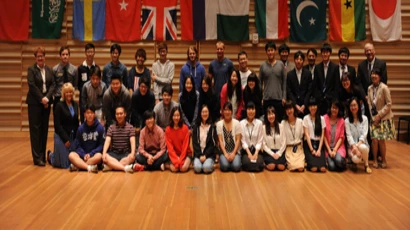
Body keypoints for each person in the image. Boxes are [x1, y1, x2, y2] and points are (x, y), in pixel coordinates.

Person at [27, 46, 55, 166]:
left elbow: (53, 84)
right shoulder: (31, 70)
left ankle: (43, 156)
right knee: (35, 131)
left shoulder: (49, 70)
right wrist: (42, 98)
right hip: (34, 103)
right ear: (35, 57)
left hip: (46, 103)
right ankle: (36, 157)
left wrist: (47, 98)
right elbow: (32, 86)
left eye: (42, 56)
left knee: (44, 129)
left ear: (44, 56)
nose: (40, 58)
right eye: (38, 56)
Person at [368, 69, 396, 169]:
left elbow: (389, 104)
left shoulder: (384, 87)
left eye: (376, 74)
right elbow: (370, 104)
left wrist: (379, 116)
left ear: (379, 77)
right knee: (374, 140)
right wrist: (373, 118)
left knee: (381, 140)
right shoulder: (369, 88)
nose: (374, 76)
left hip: (383, 118)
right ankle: (375, 160)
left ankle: (383, 159)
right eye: (372, 74)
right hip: (374, 118)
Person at [48, 83, 79, 168]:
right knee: (63, 165)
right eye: (66, 92)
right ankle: (51, 156)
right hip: (61, 136)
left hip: (72, 136)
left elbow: (76, 122)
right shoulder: (59, 106)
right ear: (63, 94)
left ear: (73, 93)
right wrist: (65, 139)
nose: (69, 94)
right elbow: (57, 125)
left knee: (72, 161)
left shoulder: (75, 104)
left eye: (70, 92)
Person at [68, 104, 104, 173]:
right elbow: (78, 145)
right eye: (88, 113)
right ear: (84, 114)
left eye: (91, 113)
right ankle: (88, 167)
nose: (90, 115)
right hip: (83, 156)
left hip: (93, 156)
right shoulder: (80, 128)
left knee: (99, 156)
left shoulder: (100, 128)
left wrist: (90, 154)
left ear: (94, 114)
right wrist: (83, 154)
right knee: (71, 155)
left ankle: (78, 166)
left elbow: (101, 145)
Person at [102, 106, 135, 173]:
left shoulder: (130, 127)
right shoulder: (111, 127)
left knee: (132, 157)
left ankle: (111, 166)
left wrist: (132, 153)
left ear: (125, 114)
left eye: (121, 113)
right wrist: (104, 154)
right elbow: (107, 141)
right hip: (114, 154)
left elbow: (132, 142)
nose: (119, 116)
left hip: (125, 154)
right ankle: (124, 168)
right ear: (115, 115)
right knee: (106, 156)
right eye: (117, 114)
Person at [260, 41, 286, 122]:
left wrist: (284, 97)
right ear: (266, 52)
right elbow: (259, 83)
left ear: (275, 51)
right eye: (268, 50)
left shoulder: (281, 64)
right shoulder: (262, 66)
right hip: (267, 99)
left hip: (279, 100)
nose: (270, 52)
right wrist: (261, 97)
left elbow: (284, 82)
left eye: (272, 50)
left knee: (278, 122)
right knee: (267, 122)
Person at [345, 97, 372, 174]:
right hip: (351, 147)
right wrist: (354, 147)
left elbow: (364, 135)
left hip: (362, 145)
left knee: (363, 148)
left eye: (355, 105)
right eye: (351, 105)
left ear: (359, 106)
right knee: (356, 159)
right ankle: (354, 162)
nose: (353, 107)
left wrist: (357, 147)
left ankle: (366, 165)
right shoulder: (347, 120)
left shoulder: (365, 119)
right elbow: (349, 136)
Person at [209, 41, 234, 114]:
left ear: (224, 49)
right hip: (216, 95)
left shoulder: (229, 63)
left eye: (221, 49)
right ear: (216, 50)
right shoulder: (212, 64)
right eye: (218, 49)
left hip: (227, 94)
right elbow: (209, 80)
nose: (219, 51)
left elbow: (233, 79)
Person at [286, 51, 313, 118]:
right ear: (294, 60)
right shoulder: (290, 74)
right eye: (297, 59)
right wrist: (295, 104)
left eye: (300, 59)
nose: (298, 61)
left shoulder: (308, 73)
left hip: (305, 107)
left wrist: (304, 105)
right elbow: (289, 91)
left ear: (303, 61)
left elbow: (309, 90)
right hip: (294, 107)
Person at [313, 43, 338, 115]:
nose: (325, 54)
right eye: (323, 52)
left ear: (330, 53)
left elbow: (336, 86)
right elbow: (315, 85)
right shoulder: (317, 67)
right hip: (319, 101)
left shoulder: (335, 67)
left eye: (327, 52)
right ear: (321, 54)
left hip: (330, 100)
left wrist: (332, 99)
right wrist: (318, 97)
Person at [217, 102, 242, 172]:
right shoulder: (219, 124)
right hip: (224, 152)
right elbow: (220, 140)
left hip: (235, 152)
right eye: (225, 110)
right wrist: (225, 153)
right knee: (225, 167)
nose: (227, 112)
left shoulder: (237, 123)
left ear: (231, 111)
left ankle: (233, 162)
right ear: (223, 111)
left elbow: (238, 140)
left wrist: (233, 153)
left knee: (236, 167)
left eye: (229, 110)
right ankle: (226, 162)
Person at [165, 107, 192, 172]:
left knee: (183, 168)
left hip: (185, 154)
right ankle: (167, 165)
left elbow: (185, 147)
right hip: (174, 154)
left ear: (180, 116)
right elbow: (170, 148)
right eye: (174, 115)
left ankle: (187, 162)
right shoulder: (168, 129)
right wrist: (176, 160)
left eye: (178, 115)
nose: (176, 118)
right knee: (175, 169)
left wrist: (180, 160)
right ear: (171, 116)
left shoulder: (185, 128)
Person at [303, 98, 326, 172]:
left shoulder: (321, 118)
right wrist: (312, 150)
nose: (313, 108)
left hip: (319, 144)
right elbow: (306, 135)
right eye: (311, 106)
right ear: (308, 107)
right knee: (314, 168)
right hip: (309, 145)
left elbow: (322, 135)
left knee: (322, 169)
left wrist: (319, 149)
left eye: (314, 105)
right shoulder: (305, 118)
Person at [192, 105, 218, 174]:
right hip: (198, 154)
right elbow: (195, 143)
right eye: (203, 112)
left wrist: (205, 155)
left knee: (206, 169)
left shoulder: (212, 127)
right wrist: (200, 155)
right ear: (200, 113)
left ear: (209, 113)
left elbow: (213, 144)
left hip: (209, 155)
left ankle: (211, 164)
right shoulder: (196, 127)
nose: (204, 114)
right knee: (198, 169)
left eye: (206, 112)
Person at [240, 102, 264, 172]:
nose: (251, 111)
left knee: (259, 164)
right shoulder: (241, 123)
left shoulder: (259, 123)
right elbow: (243, 141)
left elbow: (260, 141)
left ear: (255, 110)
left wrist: (256, 153)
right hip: (246, 151)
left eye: (252, 109)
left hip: (257, 151)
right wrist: (249, 154)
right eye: (249, 109)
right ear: (246, 110)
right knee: (246, 163)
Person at [78, 43, 99, 122]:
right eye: (88, 52)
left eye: (92, 52)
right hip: (84, 101)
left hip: (94, 100)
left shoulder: (96, 68)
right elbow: (78, 84)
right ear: (85, 53)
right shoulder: (80, 68)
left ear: (94, 53)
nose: (90, 54)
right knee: (84, 121)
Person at [323, 100, 346, 172]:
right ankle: (332, 159)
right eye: (332, 107)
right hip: (328, 148)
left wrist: (335, 150)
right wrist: (329, 151)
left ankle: (340, 160)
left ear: (339, 110)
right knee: (332, 167)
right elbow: (324, 137)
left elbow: (341, 137)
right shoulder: (324, 118)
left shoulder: (341, 120)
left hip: (338, 147)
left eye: (336, 108)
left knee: (339, 161)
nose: (334, 110)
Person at [53, 46, 78, 111]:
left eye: (67, 54)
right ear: (60, 56)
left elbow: (75, 84)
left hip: (70, 97)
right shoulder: (55, 69)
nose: (65, 56)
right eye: (63, 54)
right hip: (58, 97)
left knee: (71, 118)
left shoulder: (74, 69)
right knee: (57, 119)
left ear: (69, 56)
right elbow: (53, 85)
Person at [282, 101, 305, 172]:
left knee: (300, 168)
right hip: (289, 149)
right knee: (292, 167)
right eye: (287, 109)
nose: (289, 111)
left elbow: (302, 136)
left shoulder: (300, 121)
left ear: (294, 109)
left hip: (299, 148)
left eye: (290, 108)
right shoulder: (283, 123)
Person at [263, 106, 286, 171]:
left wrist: (279, 153)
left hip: (279, 151)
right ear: (266, 116)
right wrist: (272, 154)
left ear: (275, 115)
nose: (271, 116)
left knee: (281, 167)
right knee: (272, 166)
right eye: (269, 114)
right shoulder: (263, 128)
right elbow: (263, 144)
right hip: (269, 152)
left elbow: (284, 142)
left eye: (272, 114)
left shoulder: (281, 126)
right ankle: (265, 164)